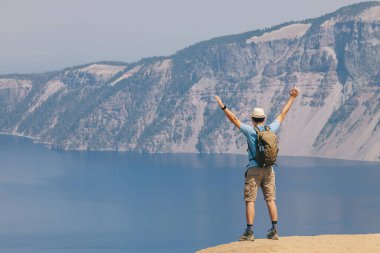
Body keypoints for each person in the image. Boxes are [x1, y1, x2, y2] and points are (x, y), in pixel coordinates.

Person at [214, 86, 300, 241]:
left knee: (250, 201)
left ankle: (249, 232)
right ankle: (274, 230)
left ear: (253, 120)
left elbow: (234, 119)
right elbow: (283, 114)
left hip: (253, 170)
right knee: (271, 199)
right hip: (269, 169)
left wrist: (222, 106)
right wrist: (292, 97)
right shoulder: (271, 129)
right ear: (264, 119)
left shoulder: (250, 130)